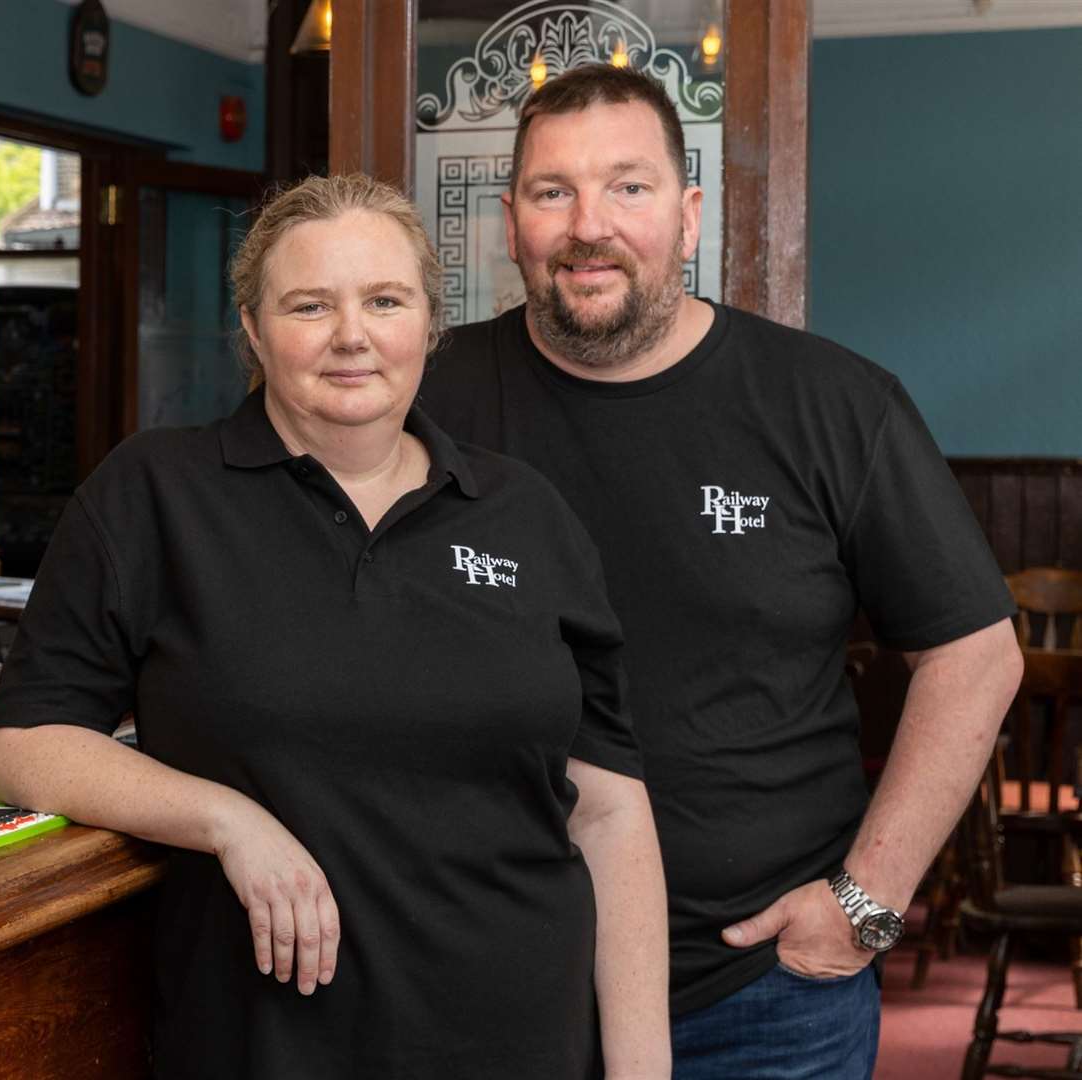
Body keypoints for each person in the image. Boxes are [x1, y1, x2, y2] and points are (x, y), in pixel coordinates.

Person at [0, 174, 671, 1078]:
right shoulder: (153, 495)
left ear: (430, 326)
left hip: (524, 1040)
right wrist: (226, 818)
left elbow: (607, 808)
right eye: (309, 305)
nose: (351, 336)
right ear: (253, 329)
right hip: (264, 1047)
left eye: (385, 300)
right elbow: (28, 744)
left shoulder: (525, 511)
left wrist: (644, 1069)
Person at [417, 63, 1024, 1078]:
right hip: (484, 976)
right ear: (511, 219)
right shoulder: (430, 401)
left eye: (629, 186)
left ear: (690, 213)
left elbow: (976, 654)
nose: (588, 224)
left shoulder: (831, 404)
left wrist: (865, 904)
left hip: (762, 995)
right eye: (550, 191)